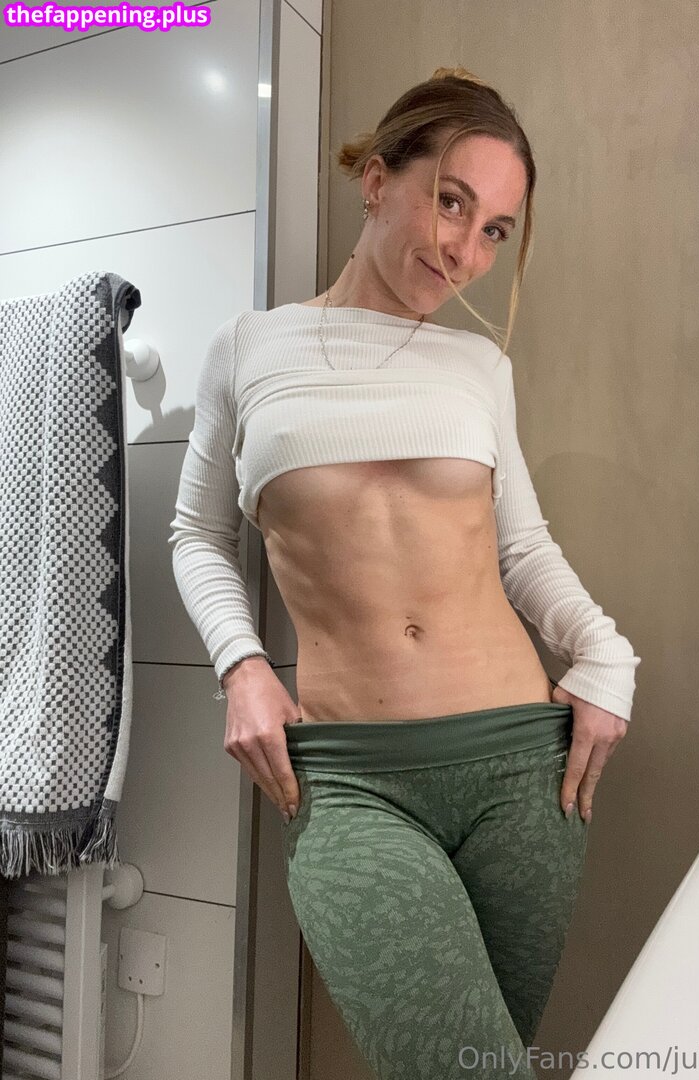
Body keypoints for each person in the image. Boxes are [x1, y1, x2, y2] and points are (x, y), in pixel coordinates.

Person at [169, 66, 640, 1080]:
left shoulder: (478, 368)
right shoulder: (249, 348)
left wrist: (607, 655)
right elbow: (196, 534)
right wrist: (242, 667)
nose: (466, 250)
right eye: (451, 202)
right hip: (350, 782)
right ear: (378, 178)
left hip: (522, 772)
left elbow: (522, 547)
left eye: (496, 230)